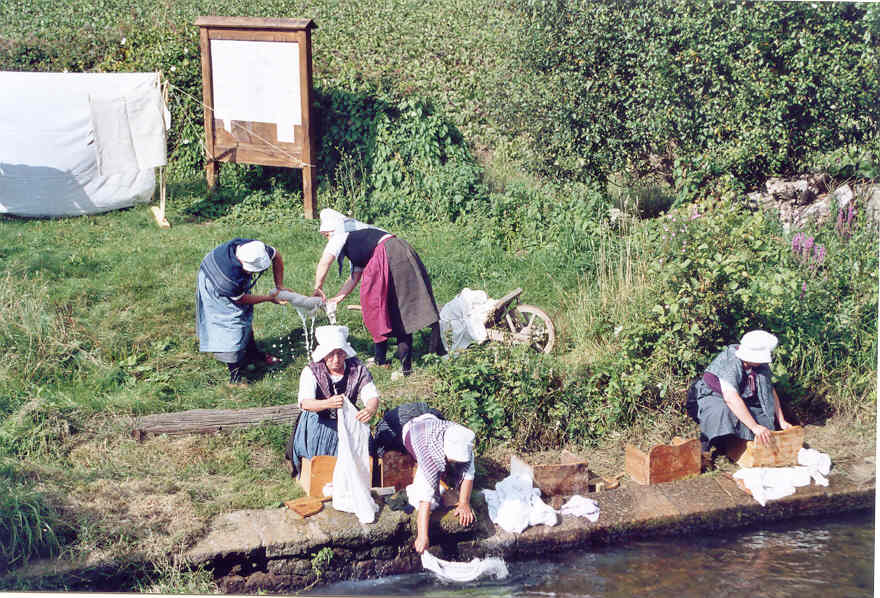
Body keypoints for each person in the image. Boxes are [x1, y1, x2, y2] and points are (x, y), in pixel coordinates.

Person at [312, 208, 446, 376]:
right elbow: (355, 276)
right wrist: (337, 298)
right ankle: (386, 361)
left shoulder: (340, 232)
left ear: (331, 230)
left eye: (326, 235)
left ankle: (403, 367)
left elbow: (325, 261)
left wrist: (318, 287)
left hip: (389, 256)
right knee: (397, 309)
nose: (327, 239)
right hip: (400, 251)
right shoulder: (360, 239)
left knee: (382, 308)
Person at [375, 402, 476, 553]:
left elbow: (468, 473)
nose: (454, 463)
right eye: (451, 460)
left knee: (449, 472)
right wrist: (423, 536)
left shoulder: (460, 438)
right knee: (380, 445)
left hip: (430, 414)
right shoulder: (428, 451)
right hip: (399, 422)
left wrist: (464, 503)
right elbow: (425, 498)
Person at [284, 325, 380, 476]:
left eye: (340, 354)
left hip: (347, 418)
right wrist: (326, 403)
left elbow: (371, 394)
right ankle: (320, 474)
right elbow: (305, 403)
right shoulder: (312, 371)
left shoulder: (357, 369)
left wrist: (370, 409)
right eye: (331, 354)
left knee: (363, 443)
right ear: (323, 354)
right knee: (325, 449)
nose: (336, 359)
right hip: (318, 419)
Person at [196, 238, 289, 386]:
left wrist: (280, 286)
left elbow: (276, 256)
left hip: (233, 284)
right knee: (231, 324)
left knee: (244, 317)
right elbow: (241, 300)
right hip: (213, 280)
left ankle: (253, 354)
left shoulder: (257, 249)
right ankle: (236, 376)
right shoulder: (226, 279)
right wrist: (268, 298)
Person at [688, 330, 793, 452]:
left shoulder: (760, 365)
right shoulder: (730, 362)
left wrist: (781, 420)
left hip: (742, 397)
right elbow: (731, 398)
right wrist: (754, 427)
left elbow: (769, 391)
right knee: (722, 412)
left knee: (764, 423)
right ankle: (708, 444)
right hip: (713, 396)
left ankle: (736, 442)